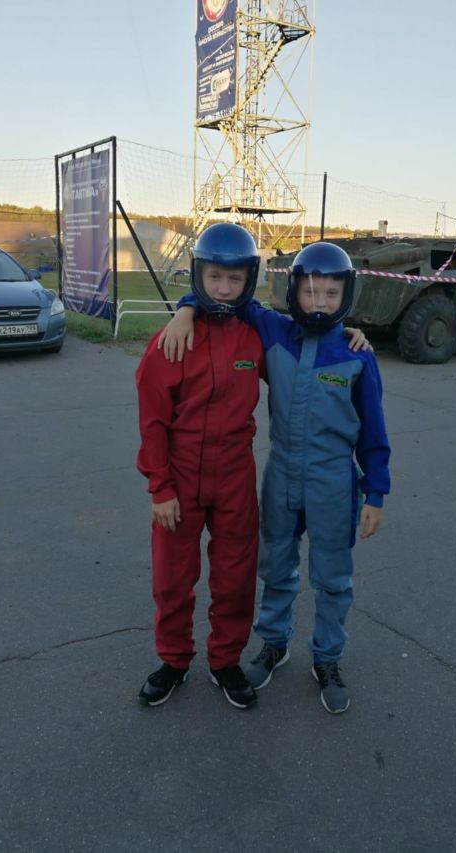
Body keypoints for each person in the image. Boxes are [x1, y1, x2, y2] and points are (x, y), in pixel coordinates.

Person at [137, 224, 370, 711]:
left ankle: (225, 661)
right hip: (179, 481)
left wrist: (345, 334)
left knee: (236, 577)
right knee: (173, 579)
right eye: (214, 277)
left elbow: (302, 355)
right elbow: (152, 423)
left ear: (249, 281)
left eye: (235, 279)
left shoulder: (253, 338)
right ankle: (174, 661)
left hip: (235, 481)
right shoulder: (171, 342)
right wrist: (160, 487)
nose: (223, 289)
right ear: (198, 275)